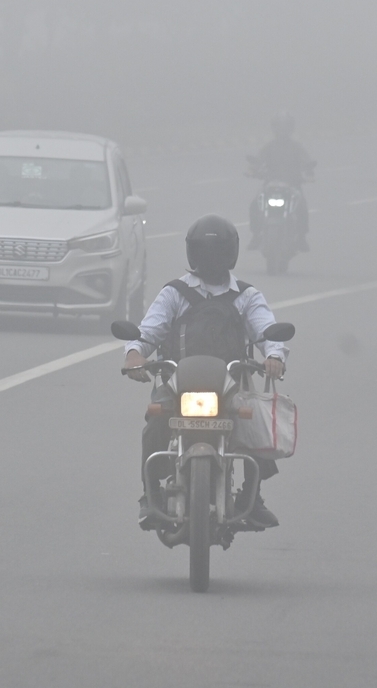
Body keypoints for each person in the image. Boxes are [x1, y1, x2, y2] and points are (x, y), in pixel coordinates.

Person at [122, 215, 289, 529]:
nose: (209, 259)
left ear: (230, 254)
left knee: (253, 423)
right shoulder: (174, 293)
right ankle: (151, 493)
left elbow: (267, 331)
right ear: (192, 253)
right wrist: (134, 355)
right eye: (203, 251)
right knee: (156, 419)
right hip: (177, 382)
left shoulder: (246, 296)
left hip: (231, 383)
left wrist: (274, 356)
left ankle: (252, 497)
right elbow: (148, 331)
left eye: (216, 251)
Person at [247, 113, 314, 252]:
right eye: (279, 128)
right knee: (254, 206)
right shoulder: (269, 147)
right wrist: (253, 170)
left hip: (293, 185)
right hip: (271, 184)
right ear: (274, 129)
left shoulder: (297, 147)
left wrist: (308, 171)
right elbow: (258, 160)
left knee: (302, 208)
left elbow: (306, 160)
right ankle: (256, 235)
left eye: (285, 128)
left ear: (290, 129)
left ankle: (301, 238)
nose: (282, 131)